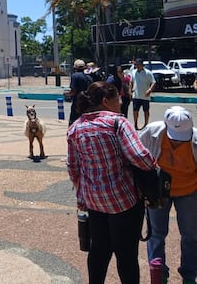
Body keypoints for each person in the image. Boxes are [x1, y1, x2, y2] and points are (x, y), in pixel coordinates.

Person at [67, 81, 157, 284]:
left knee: (99, 248)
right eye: (118, 98)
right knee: (126, 254)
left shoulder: (75, 127)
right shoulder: (117, 122)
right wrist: (154, 165)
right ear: (106, 102)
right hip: (123, 198)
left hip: (94, 200)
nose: (121, 101)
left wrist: (81, 196)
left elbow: (73, 167)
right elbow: (139, 156)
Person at [138, 106, 197, 284]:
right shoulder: (151, 132)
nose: (178, 142)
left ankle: (189, 274)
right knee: (156, 233)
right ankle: (158, 274)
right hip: (158, 191)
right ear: (165, 124)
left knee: (191, 235)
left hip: (189, 191)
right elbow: (136, 157)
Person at [131, 58, 156, 130]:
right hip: (136, 95)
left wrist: (150, 90)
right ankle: (135, 124)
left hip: (145, 96)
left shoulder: (148, 73)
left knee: (146, 111)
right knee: (135, 110)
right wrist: (130, 90)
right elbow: (131, 81)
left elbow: (153, 82)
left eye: (139, 64)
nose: (137, 66)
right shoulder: (133, 72)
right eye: (136, 65)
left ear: (142, 65)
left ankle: (146, 124)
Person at [67, 59, 92, 125]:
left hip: (77, 103)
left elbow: (73, 91)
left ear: (75, 68)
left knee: (73, 121)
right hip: (87, 103)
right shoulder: (89, 77)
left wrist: (67, 94)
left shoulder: (75, 76)